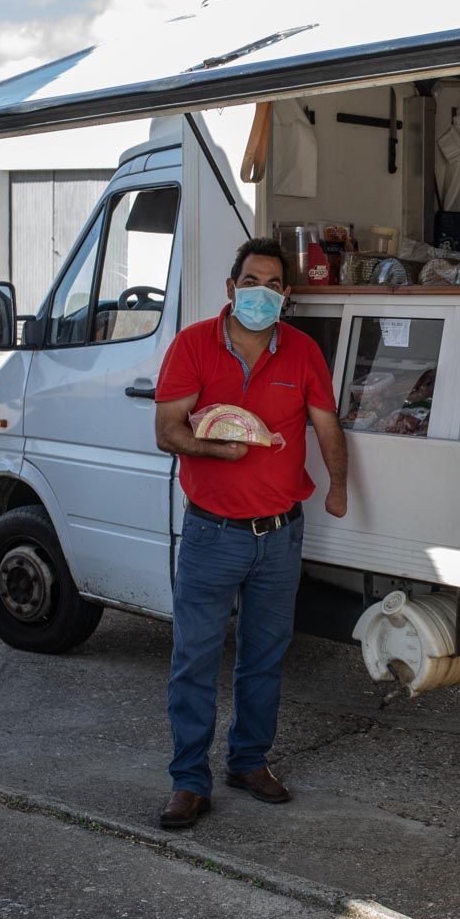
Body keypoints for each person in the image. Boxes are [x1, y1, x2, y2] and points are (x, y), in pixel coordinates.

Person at [153, 237, 349, 829]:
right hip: (213, 533)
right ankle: (190, 780)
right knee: (194, 658)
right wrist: (220, 447)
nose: (259, 293)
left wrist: (338, 487)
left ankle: (248, 761)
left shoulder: (303, 352)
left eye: (271, 285)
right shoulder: (193, 346)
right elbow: (167, 430)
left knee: (264, 658)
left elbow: (326, 426)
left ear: (285, 296)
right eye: (250, 281)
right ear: (230, 287)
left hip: (281, 535)